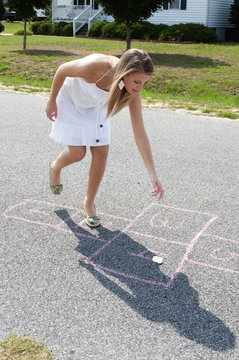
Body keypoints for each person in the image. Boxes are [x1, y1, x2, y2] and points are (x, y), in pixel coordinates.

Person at [45, 48, 164, 228]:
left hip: (96, 107)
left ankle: (89, 203)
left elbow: (140, 133)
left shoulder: (132, 90)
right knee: (78, 154)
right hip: (71, 101)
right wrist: (51, 100)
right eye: (137, 81)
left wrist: (153, 175)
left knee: (101, 153)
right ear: (124, 72)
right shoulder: (95, 67)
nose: (140, 88)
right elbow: (63, 69)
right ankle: (55, 167)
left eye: (145, 83)